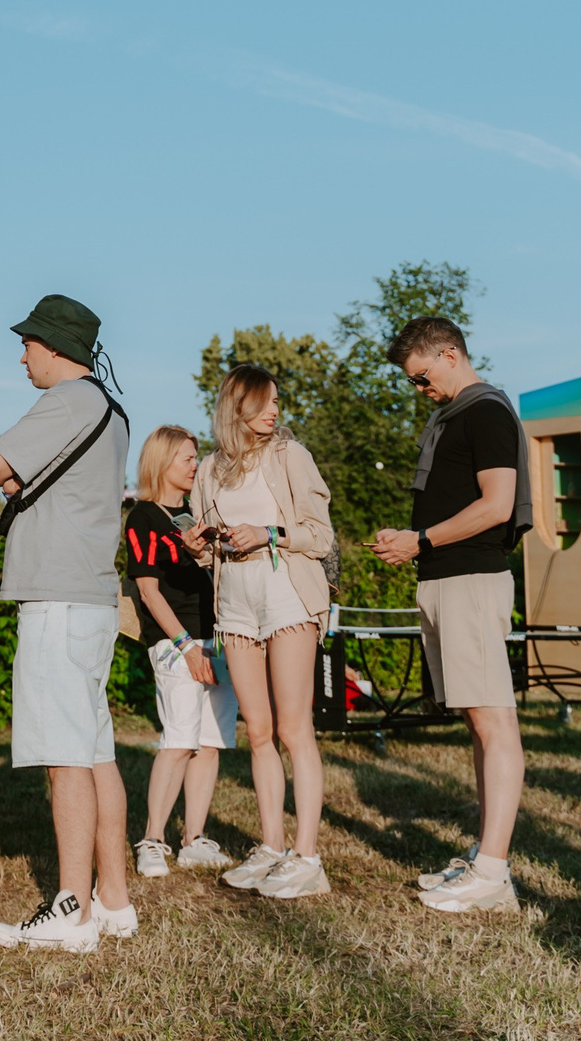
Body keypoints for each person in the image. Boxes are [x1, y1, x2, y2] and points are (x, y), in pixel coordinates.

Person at [0, 295, 134, 953]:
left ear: (53, 345)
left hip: (57, 599)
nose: (21, 356)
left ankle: (70, 909)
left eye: (28, 344)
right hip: (93, 597)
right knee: (95, 750)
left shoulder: (67, 400)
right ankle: (114, 901)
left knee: (65, 757)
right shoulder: (112, 408)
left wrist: (18, 487)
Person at [370, 316, 531, 914]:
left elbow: (496, 505)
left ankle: (493, 874)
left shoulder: (485, 412)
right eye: (413, 382)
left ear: (451, 353)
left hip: (471, 580)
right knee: (477, 721)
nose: (420, 390)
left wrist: (423, 540)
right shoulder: (455, 416)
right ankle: (487, 858)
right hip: (445, 578)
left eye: (422, 376)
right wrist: (411, 539)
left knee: (495, 722)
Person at [197, 366, 335, 901]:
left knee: (294, 729)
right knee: (257, 731)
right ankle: (272, 847)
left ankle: (308, 858)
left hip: (286, 598)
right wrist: (201, 545)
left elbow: (320, 536)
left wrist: (269, 533)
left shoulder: (289, 456)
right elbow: (212, 545)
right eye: (264, 402)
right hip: (233, 604)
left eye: (277, 400)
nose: (274, 410)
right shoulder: (210, 469)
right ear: (238, 405)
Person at [123, 425, 238, 879]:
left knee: (209, 742)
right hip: (175, 642)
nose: (196, 465)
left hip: (217, 638)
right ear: (162, 463)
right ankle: (153, 839)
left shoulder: (200, 514)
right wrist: (186, 648)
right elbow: (149, 592)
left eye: (196, 457)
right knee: (178, 740)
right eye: (187, 458)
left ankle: (194, 839)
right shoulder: (143, 517)